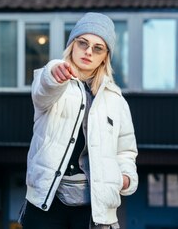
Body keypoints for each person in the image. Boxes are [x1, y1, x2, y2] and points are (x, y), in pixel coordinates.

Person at [19, 12, 138, 229]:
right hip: (47, 202)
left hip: (95, 207)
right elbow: (44, 91)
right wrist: (54, 73)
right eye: (83, 43)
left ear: (105, 56)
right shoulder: (53, 79)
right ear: (72, 45)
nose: (88, 51)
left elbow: (125, 151)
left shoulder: (116, 99)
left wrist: (125, 178)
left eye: (98, 48)